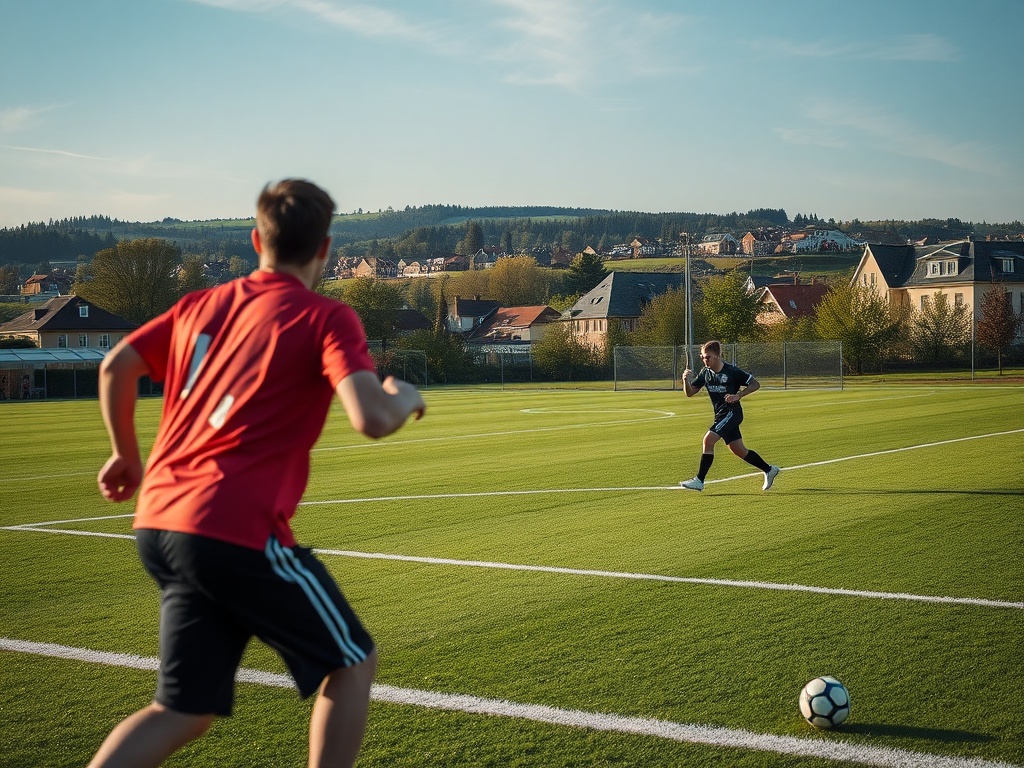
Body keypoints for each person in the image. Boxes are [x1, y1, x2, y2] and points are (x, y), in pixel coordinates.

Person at [89, 179, 426, 768]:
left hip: (159, 525)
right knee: (351, 662)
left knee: (182, 710)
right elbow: (370, 416)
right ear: (325, 248)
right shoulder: (325, 316)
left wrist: (127, 454)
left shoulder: (200, 305)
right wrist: (404, 396)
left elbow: (117, 365)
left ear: (255, 240)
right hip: (232, 528)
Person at [678, 340, 779, 492]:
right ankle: (769, 470)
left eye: (708, 357)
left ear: (718, 356)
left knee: (708, 440)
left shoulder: (732, 371)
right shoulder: (705, 373)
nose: (705, 360)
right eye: (703, 357)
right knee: (738, 450)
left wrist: (738, 395)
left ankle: (699, 480)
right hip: (720, 416)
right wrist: (685, 380)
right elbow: (690, 392)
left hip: (732, 413)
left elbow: (755, 384)